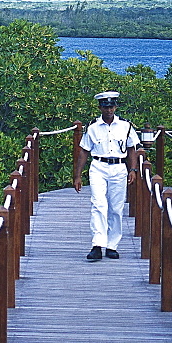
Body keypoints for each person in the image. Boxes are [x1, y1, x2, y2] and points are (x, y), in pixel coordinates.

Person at [73, 91, 140, 261]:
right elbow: (84, 151)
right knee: (98, 204)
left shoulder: (126, 126)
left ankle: (112, 245)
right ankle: (97, 244)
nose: (109, 109)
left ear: (115, 107)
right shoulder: (93, 127)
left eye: (111, 106)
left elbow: (132, 148)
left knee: (116, 208)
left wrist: (133, 170)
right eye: (105, 106)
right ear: (100, 107)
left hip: (119, 168)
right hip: (98, 167)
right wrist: (77, 176)